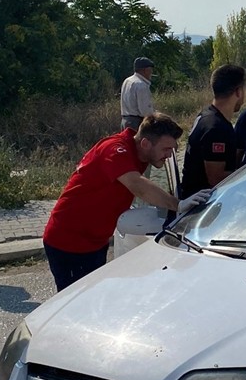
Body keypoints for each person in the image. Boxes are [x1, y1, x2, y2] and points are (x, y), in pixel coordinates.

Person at [42, 113, 209, 292]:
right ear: (145, 143)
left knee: (93, 302)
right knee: (74, 307)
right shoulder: (115, 149)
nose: (169, 155)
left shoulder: (140, 154)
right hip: (68, 241)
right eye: (166, 149)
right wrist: (178, 205)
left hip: (95, 241)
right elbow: (138, 186)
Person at [180, 64, 246, 198]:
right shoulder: (216, 128)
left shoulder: (207, 115)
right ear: (238, 92)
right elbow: (216, 179)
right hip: (203, 205)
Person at [120, 57, 156, 131]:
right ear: (145, 70)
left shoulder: (127, 80)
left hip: (125, 121)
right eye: (150, 70)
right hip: (136, 123)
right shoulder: (141, 85)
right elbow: (145, 111)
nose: (151, 73)